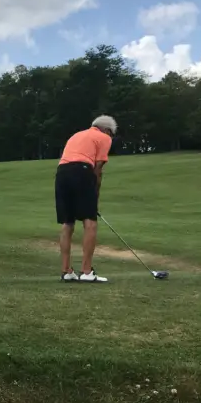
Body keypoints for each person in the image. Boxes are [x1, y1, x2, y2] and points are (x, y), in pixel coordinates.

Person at [55, 115, 117, 283]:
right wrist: (95, 195)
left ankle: (67, 271)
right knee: (90, 221)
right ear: (107, 130)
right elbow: (97, 169)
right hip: (81, 171)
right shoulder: (104, 137)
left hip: (61, 173)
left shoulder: (77, 135)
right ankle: (87, 271)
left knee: (68, 222)